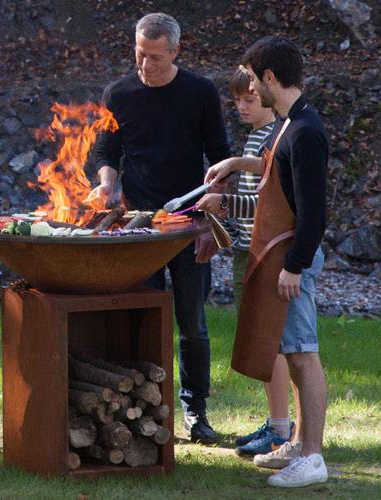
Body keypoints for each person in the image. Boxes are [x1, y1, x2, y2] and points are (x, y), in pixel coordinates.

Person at [87, 12, 236, 443]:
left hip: (188, 223)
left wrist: (210, 222)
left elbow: (220, 159)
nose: (145, 66)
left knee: (192, 322)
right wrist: (106, 182)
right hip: (138, 226)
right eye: (139, 55)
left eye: (154, 57)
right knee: (141, 319)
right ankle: (146, 409)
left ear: (174, 51)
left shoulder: (200, 92)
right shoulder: (119, 92)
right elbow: (105, 150)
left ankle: (196, 412)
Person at [200, 35, 332, 488]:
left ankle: (313, 457)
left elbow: (315, 213)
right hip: (284, 256)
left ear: (271, 77)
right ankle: (298, 443)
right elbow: (277, 170)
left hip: (293, 260)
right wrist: (236, 163)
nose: (251, 90)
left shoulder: (306, 131)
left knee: (304, 354)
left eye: (255, 81)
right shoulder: (290, 124)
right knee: (293, 353)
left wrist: (294, 266)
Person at [211, 68, 296, 459]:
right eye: (237, 101)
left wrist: (228, 189)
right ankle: (278, 422)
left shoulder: (275, 135)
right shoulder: (255, 136)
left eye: (249, 99)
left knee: (272, 342)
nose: (242, 107)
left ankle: (281, 430)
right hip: (248, 247)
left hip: (265, 252)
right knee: (267, 343)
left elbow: (268, 200)